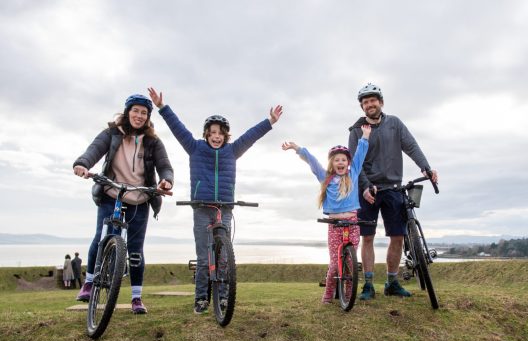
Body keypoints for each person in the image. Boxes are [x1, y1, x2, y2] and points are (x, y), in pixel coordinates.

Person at [147, 87, 283, 314]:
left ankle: (222, 299)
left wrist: (269, 121)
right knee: (202, 257)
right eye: (212, 133)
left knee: (223, 259)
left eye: (220, 133)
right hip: (201, 208)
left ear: (225, 135)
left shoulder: (233, 150)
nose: (216, 136)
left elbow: (251, 136)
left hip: (225, 208)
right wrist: (162, 107)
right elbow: (178, 128)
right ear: (207, 135)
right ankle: (201, 299)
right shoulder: (195, 148)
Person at [73, 93, 174, 314]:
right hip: (112, 194)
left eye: (144, 113)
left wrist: (166, 181)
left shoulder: (153, 142)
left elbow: (165, 166)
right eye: (135, 111)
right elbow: (94, 150)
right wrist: (82, 164)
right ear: (127, 112)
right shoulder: (111, 134)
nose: (139, 116)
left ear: (148, 118)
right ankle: (89, 282)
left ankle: (136, 298)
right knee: (102, 237)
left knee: (136, 250)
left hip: (140, 198)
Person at [348, 83, 438, 300]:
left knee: (397, 236)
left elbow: (411, 146)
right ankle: (368, 284)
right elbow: (355, 164)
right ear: (362, 107)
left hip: (393, 188)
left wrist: (426, 167)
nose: (370, 104)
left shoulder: (395, 124)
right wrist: (364, 186)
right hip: (368, 189)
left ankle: (392, 282)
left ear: (381, 102)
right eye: (365, 102)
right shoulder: (355, 131)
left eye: (373, 100)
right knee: (367, 237)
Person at [282, 124, 371, 303]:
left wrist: (365, 136)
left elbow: (360, 155)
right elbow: (313, 162)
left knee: (350, 265)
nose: (340, 163)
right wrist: (298, 148)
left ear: (348, 163)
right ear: (332, 163)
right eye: (337, 160)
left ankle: (347, 295)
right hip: (334, 226)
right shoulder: (326, 178)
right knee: (334, 267)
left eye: (343, 160)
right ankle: (328, 294)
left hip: (352, 223)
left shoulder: (353, 174)